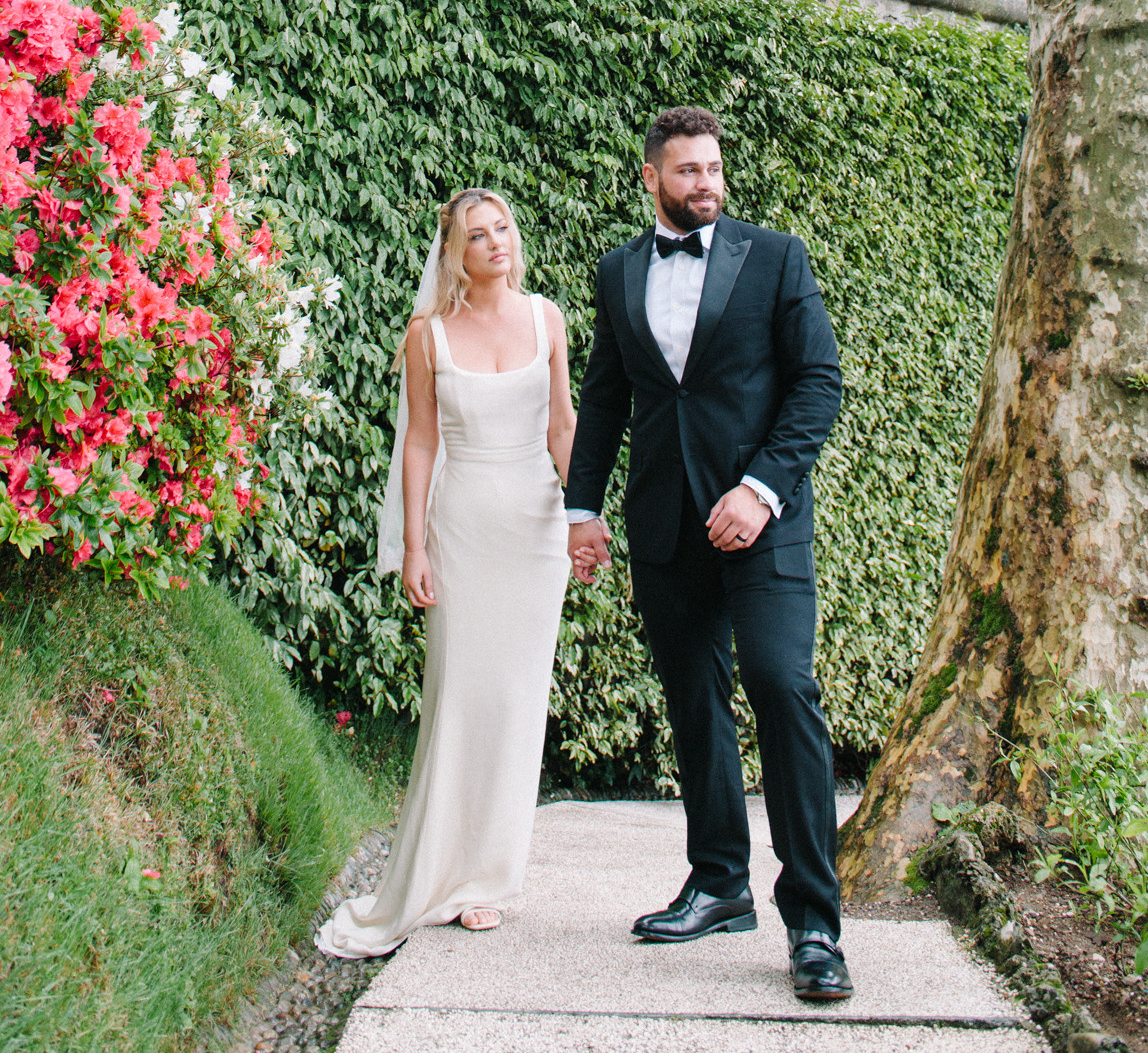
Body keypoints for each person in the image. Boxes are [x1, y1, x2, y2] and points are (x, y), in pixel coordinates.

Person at [565, 106, 852, 1002]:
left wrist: (760, 489)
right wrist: (581, 507)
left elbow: (818, 382)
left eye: (714, 169)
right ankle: (719, 883)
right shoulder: (617, 272)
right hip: (662, 523)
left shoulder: (775, 258)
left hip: (763, 518)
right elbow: (606, 398)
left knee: (780, 686)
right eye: (687, 171)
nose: (705, 184)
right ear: (650, 176)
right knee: (694, 702)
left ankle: (813, 922)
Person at [317, 189, 576, 956]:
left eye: (501, 229)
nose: (495, 242)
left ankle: (489, 879)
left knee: (517, 701)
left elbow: (563, 425)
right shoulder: (426, 335)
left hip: (536, 531)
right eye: (476, 234)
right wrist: (415, 545)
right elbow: (420, 445)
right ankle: (440, 868)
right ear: (454, 255)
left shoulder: (546, 319)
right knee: (458, 693)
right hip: (461, 524)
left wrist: (585, 519)